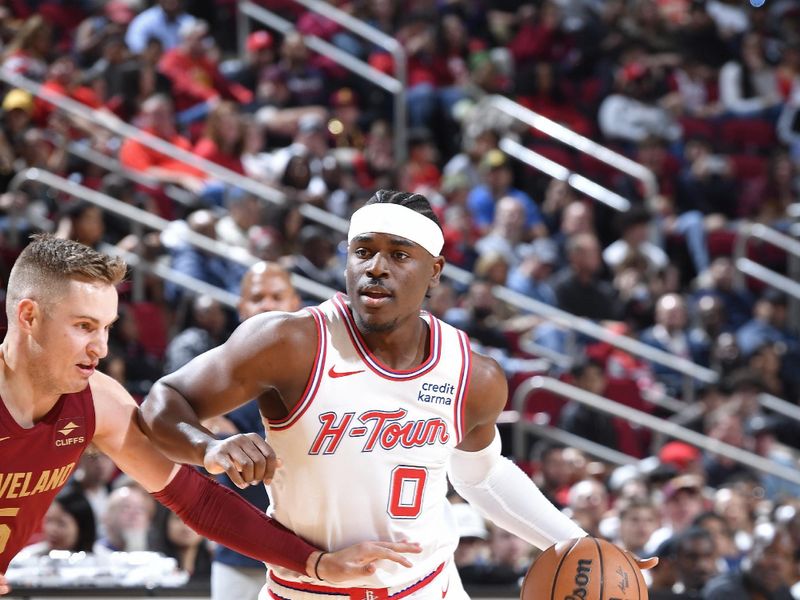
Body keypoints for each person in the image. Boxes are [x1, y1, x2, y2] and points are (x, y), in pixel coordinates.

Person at [140, 190, 656, 600]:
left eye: (398, 254)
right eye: (363, 252)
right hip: (311, 589)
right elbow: (163, 401)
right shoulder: (290, 341)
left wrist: (576, 542)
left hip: (428, 587)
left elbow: (482, 475)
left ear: (434, 272)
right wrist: (205, 447)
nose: (376, 267)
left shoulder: (473, 375)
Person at [0, 235, 421, 596]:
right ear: (29, 317)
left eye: (107, 328)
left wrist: (315, 563)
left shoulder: (98, 400)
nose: (101, 348)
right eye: (84, 327)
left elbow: (196, 499)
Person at [208, 261, 301, 600]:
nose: (267, 305)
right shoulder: (215, 369)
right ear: (242, 307)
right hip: (238, 553)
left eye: (277, 296)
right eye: (257, 297)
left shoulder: (322, 367)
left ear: (295, 302)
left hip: (307, 554)